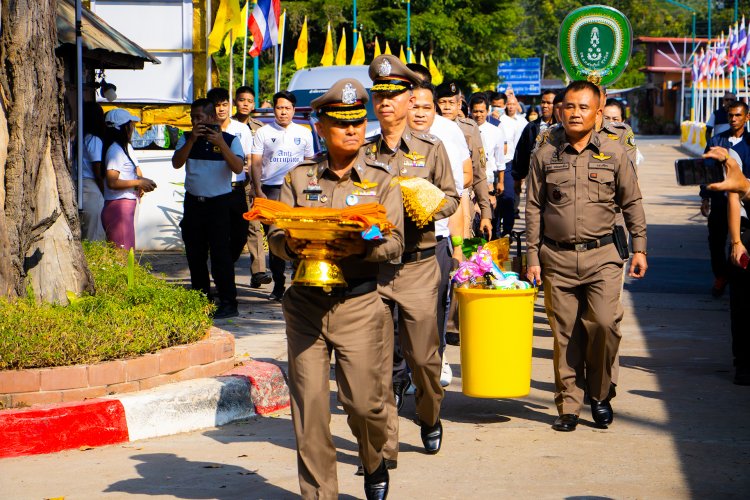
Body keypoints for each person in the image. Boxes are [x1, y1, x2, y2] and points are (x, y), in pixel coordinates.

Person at [268, 79, 404, 500]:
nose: (352, 131)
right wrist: (290, 242)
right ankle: (319, 495)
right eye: (341, 124)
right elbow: (275, 232)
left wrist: (361, 243)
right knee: (310, 411)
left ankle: (374, 458)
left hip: (359, 303)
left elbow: (395, 243)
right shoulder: (299, 177)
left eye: (358, 123)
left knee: (364, 405)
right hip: (306, 304)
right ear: (321, 128)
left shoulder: (382, 182)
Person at [525, 81, 648, 432]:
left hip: (603, 256)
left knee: (605, 326)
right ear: (560, 110)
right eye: (569, 106)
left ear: (598, 112)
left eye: (583, 107)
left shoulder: (614, 152)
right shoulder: (545, 155)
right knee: (565, 335)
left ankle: (600, 392)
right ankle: (568, 405)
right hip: (557, 258)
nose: (575, 113)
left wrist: (639, 247)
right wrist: (532, 255)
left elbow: (632, 202)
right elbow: (533, 206)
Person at [368, 54, 459, 462]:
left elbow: (452, 198)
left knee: (423, 360)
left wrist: (427, 206)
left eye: (394, 95)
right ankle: (383, 452)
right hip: (375, 269)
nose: (386, 102)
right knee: (379, 364)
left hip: (420, 266)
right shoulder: (363, 152)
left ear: (410, 101)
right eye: (380, 95)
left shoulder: (431, 148)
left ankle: (429, 416)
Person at [171, 98, 245, 319]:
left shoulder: (231, 140)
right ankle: (201, 299)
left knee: (221, 255)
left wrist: (220, 143)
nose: (195, 122)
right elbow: (177, 163)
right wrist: (192, 139)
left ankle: (228, 302)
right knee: (195, 254)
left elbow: (238, 167)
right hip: (194, 203)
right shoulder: (186, 138)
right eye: (193, 118)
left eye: (200, 118)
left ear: (213, 118)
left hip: (219, 204)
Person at [251, 90, 314, 301]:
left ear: (293, 110)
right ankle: (278, 287)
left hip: (297, 192)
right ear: (274, 109)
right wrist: (258, 189)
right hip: (271, 191)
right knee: (276, 239)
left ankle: (299, 284)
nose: (283, 112)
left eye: (287, 108)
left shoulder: (304, 132)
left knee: (299, 238)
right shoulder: (263, 133)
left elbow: (310, 163)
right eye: (279, 108)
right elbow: (256, 162)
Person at [701, 101, 750, 298]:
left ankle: (737, 277)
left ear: (747, 117)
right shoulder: (716, 141)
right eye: (730, 115)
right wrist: (704, 197)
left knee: (738, 242)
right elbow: (705, 170)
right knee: (716, 241)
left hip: (745, 204)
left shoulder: (749, 143)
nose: (733, 119)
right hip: (720, 201)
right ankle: (720, 276)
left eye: (738, 115)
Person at [436, 82, 492, 238]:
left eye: (451, 102)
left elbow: (479, 172)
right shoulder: (429, 128)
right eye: (442, 102)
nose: (447, 107)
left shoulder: (469, 128)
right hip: (435, 198)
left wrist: (485, 212)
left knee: (463, 246)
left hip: (463, 198)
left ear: (459, 104)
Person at [232, 86, 272, 288]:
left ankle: (259, 272)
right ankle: (225, 268)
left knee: (254, 226)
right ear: (235, 102)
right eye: (241, 100)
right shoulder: (226, 125)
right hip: (228, 182)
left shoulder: (260, 129)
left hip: (251, 183)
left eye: (249, 100)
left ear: (254, 104)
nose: (245, 104)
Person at [101, 108, 157, 250]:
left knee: (126, 254)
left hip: (123, 205)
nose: (132, 128)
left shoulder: (121, 148)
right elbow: (112, 181)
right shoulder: (115, 150)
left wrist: (140, 182)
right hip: (119, 206)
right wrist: (139, 182)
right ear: (123, 128)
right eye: (130, 125)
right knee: (123, 256)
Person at [512, 90, 557, 195]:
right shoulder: (532, 127)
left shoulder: (563, 127)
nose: (545, 106)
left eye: (549, 103)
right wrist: (517, 178)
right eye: (543, 102)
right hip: (535, 179)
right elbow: (522, 153)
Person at [496, 93, 528, 234]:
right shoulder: (499, 121)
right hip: (500, 162)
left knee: (510, 197)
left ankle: (507, 231)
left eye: (513, 104)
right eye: (508, 104)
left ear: (518, 106)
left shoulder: (523, 122)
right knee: (497, 198)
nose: (511, 106)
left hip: (513, 163)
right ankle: (496, 229)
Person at [469, 93, 506, 212]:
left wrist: (500, 182)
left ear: (487, 111)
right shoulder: (464, 130)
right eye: (475, 111)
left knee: (489, 209)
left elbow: (500, 160)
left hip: (489, 177)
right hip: (470, 177)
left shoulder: (496, 131)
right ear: (470, 111)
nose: (478, 115)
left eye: (481, 111)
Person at [79, 102, 107, 241]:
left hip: (80, 185)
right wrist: (105, 192)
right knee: (94, 233)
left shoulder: (81, 138)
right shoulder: (94, 140)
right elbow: (97, 171)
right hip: (91, 187)